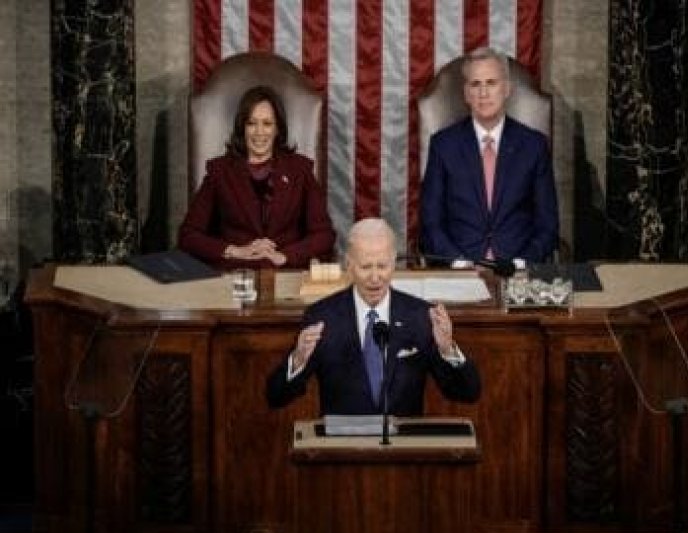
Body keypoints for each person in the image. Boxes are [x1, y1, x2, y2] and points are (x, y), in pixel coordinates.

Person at [266, 218, 481, 415]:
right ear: (349, 265)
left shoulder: (419, 316)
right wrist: (298, 359)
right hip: (342, 450)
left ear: (394, 262)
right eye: (366, 267)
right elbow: (275, 397)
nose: (375, 277)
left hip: (403, 450)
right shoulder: (323, 317)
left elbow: (467, 393)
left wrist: (448, 350)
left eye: (383, 266)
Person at [420, 47, 559, 265]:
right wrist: (457, 263)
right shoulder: (443, 145)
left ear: (506, 89)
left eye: (491, 83)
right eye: (476, 84)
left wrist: (522, 262)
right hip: (460, 270)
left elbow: (547, 225)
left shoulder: (534, 145)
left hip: (518, 270)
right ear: (466, 93)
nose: (483, 93)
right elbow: (431, 223)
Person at [178, 85, 335, 269]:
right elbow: (188, 235)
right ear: (242, 128)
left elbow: (324, 234)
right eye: (251, 123)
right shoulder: (220, 171)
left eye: (267, 123)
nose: (259, 132)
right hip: (234, 275)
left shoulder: (300, 170)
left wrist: (284, 256)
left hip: (285, 274)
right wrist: (236, 250)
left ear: (277, 129)